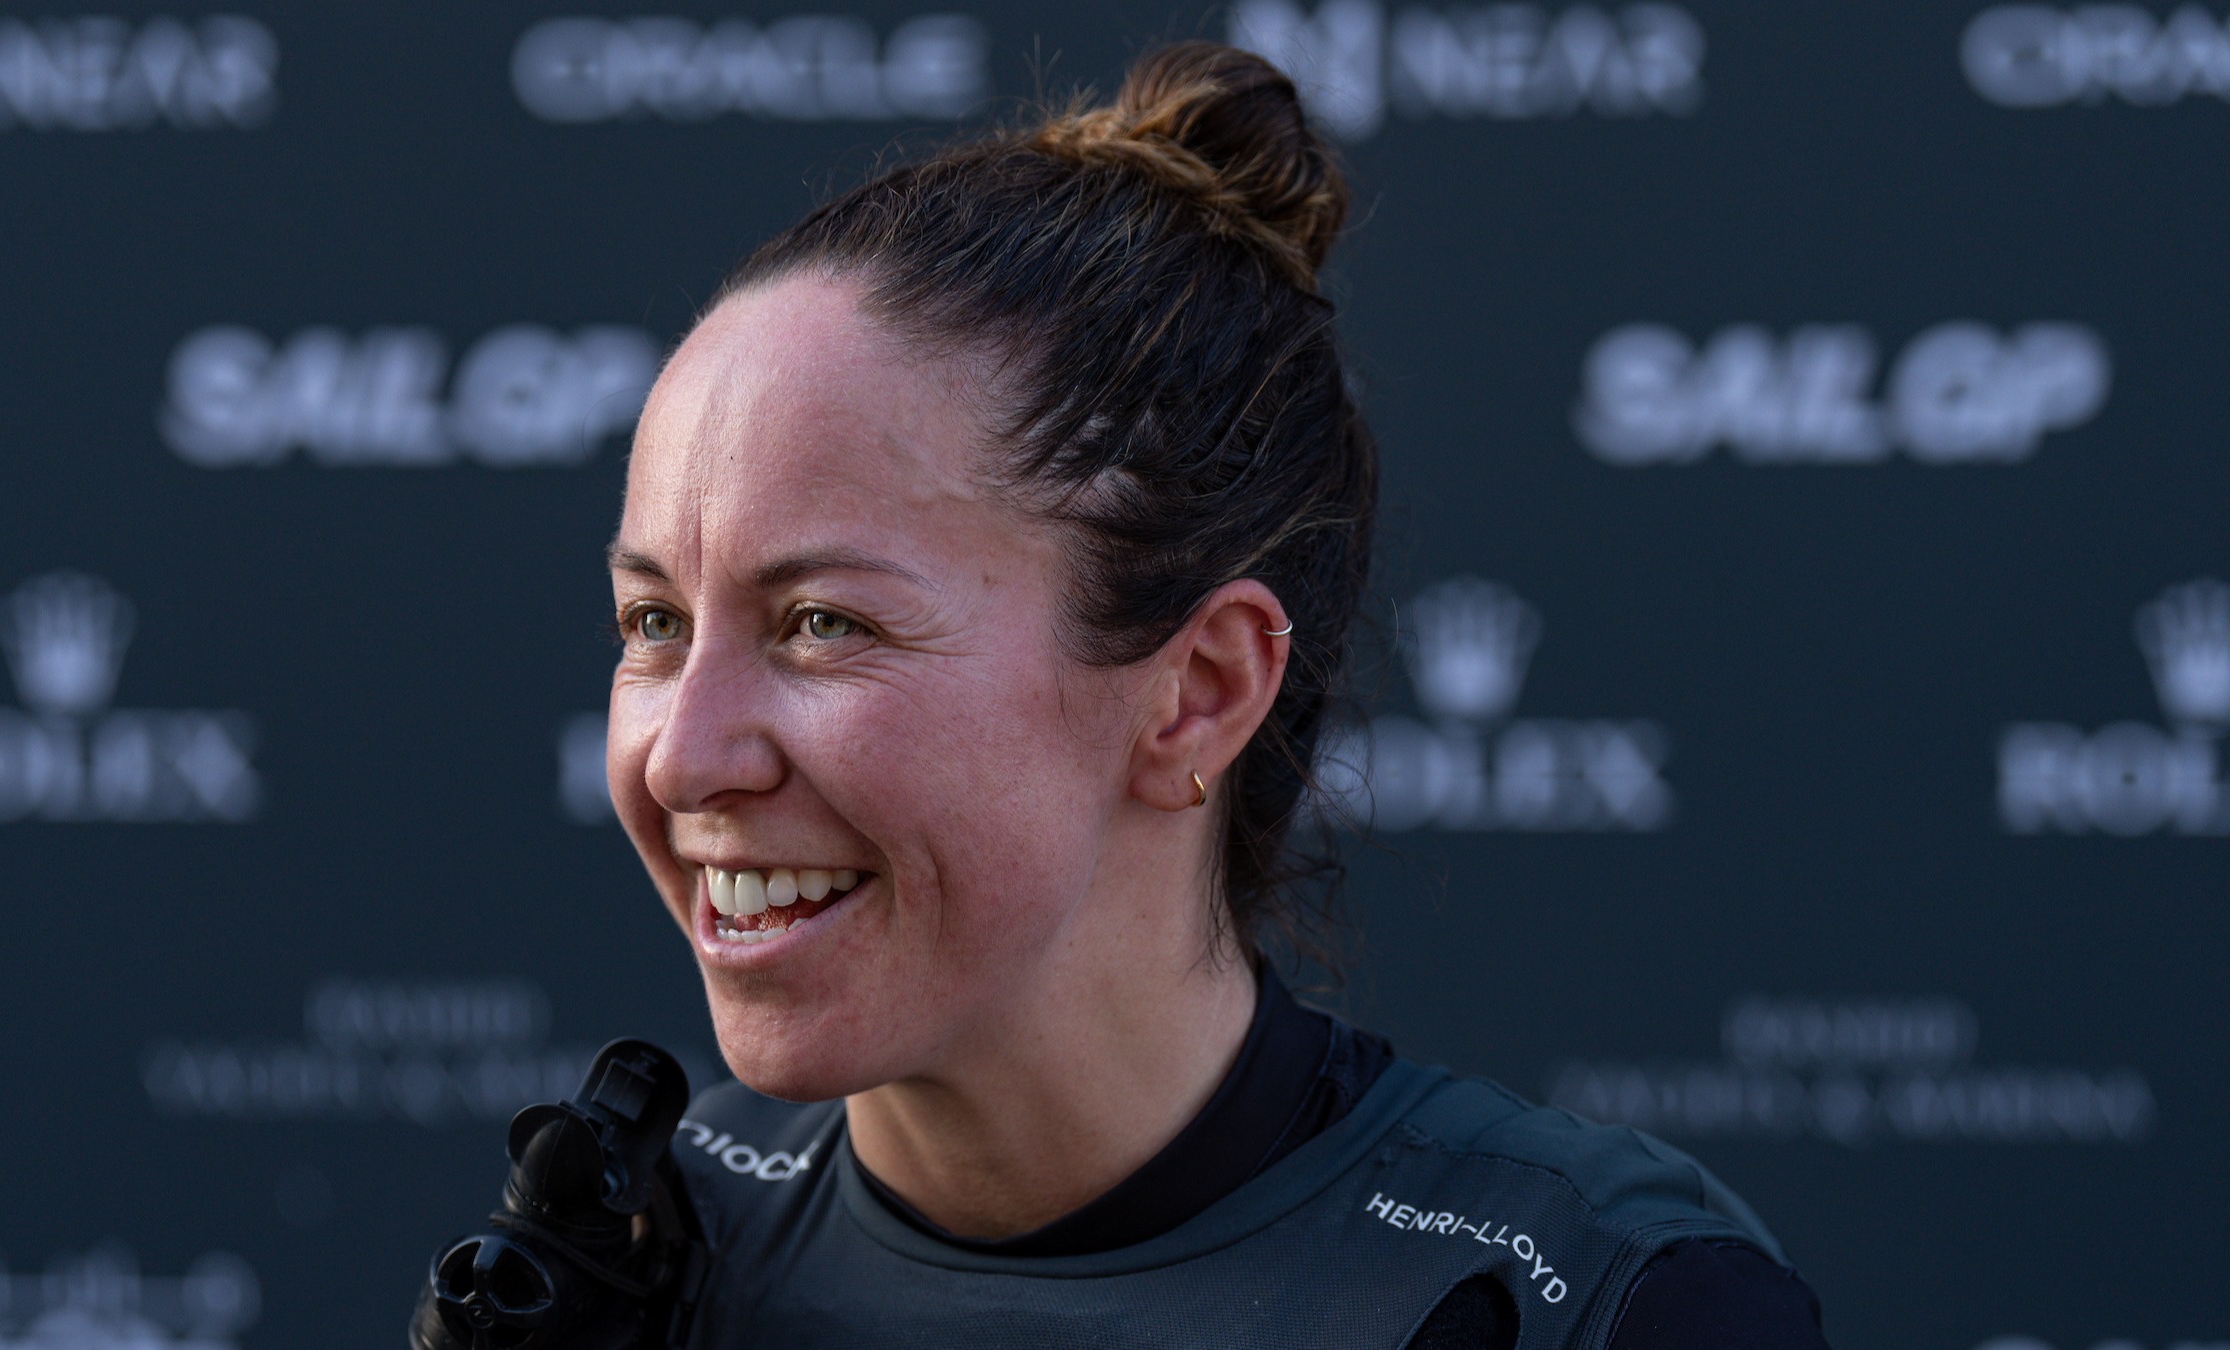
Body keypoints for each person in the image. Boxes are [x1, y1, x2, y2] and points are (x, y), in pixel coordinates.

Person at [601, 40, 1830, 1348]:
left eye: (822, 622)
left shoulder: (1588, 1297)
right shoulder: (623, 1252)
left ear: (1197, 689)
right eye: (655, 621)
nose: (684, 757)